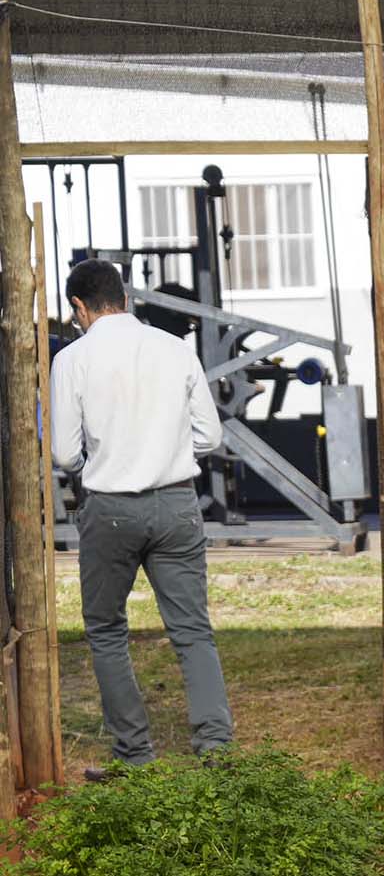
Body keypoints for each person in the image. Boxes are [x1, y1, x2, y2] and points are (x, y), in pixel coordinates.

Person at [48, 257, 230, 776]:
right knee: (193, 629)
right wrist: (169, 453)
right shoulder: (175, 350)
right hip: (176, 502)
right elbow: (211, 437)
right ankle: (216, 750)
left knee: (106, 630)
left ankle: (134, 755)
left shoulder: (73, 359)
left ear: (79, 307)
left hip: (109, 508)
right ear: (124, 297)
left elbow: (63, 453)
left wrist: (103, 463)